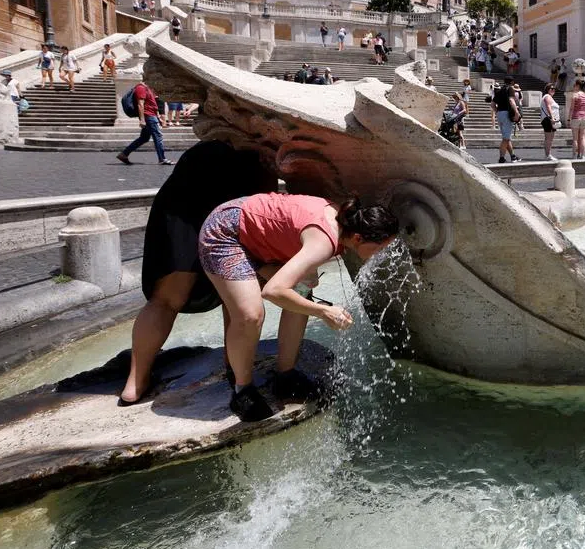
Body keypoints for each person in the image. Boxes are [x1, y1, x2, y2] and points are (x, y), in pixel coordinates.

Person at [199, 193, 399, 421]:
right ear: (358, 238)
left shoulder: (345, 222)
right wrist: (324, 311)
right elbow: (273, 291)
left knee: (303, 289)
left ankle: (285, 376)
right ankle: (242, 391)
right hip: (225, 233)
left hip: (254, 236)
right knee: (250, 315)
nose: (383, 253)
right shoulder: (325, 242)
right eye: (380, 247)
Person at [119, 141, 277, 405]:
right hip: (242, 184)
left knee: (166, 299)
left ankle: (135, 382)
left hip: (190, 182)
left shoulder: (218, 136)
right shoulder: (263, 150)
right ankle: (235, 367)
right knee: (237, 292)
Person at [117, 80, 174, 166]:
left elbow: (151, 104)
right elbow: (141, 104)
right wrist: (142, 120)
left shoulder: (147, 89)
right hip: (149, 116)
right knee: (158, 136)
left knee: (144, 138)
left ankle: (124, 154)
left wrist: (158, 117)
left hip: (151, 116)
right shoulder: (141, 88)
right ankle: (162, 158)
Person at [492, 76, 521, 163]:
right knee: (506, 138)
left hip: (500, 114)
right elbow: (511, 101)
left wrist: (497, 112)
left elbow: (492, 104)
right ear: (512, 82)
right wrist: (516, 112)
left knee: (506, 137)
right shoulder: (510, 89)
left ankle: (512, 156)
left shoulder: (499, 90)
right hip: (507, 114)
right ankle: (501, 157)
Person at [566, 80, 585, 160]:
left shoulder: (575, 95)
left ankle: (574, 155)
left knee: (575, 138)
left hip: (576, 117)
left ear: (577, 85)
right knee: (582, 137)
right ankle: (582, 155)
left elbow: (571, 108)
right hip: (584, 118)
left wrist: (568, 119)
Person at [539, 83, 560, 160]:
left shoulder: (550, 97)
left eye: (554, 89)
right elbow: (548, 106)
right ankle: (548, 155)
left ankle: (548, 154)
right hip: (548, 119)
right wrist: (552, 118)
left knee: (550, 138)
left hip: (550, 119)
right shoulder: (547, 96)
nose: (553, 90)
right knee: (548, 138)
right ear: (547, 89)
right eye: (551, 89)